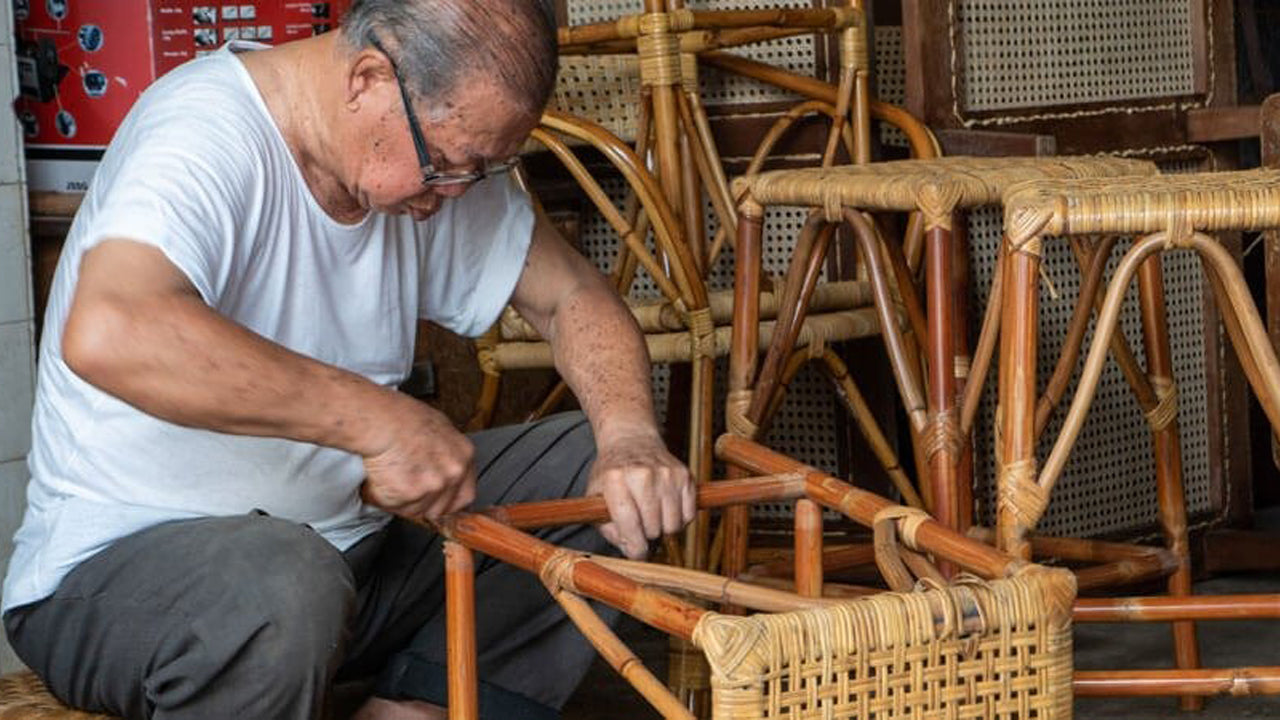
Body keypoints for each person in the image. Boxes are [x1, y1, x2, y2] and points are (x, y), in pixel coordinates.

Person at [1, 1, 695, 718]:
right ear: (367, 78)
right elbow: (113, 329)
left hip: (348, 566)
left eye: (479, 171)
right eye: (448, 166)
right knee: (283, 585)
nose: (452, 196)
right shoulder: (204, 130)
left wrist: (630, 438)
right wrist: (375, 421)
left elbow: (572, 296)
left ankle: (416, 706)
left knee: (595, 469)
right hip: (128, 585)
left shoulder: (434, 148)